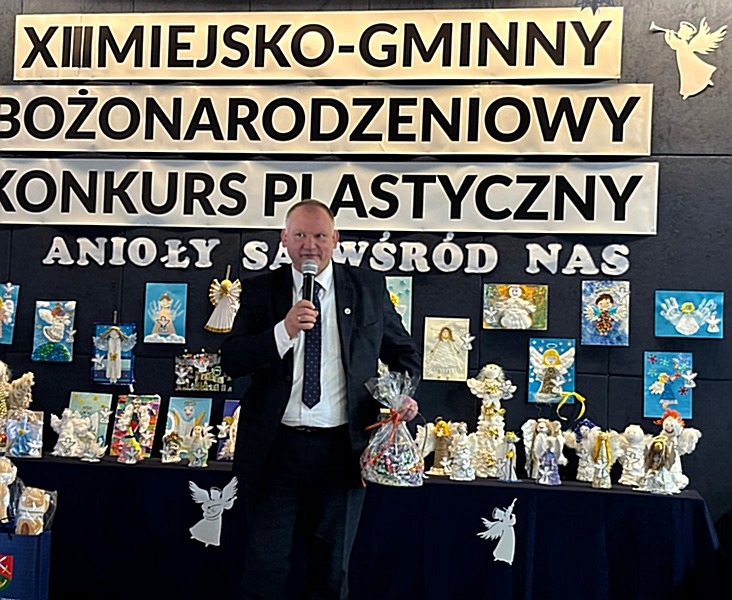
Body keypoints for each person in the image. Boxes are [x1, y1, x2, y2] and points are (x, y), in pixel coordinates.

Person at [220, 199, 421, 599]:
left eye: (319, 236)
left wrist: (403, 395)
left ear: (335, 239)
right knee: (264, 570)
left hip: (341, 452)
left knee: (331, 571)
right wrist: (283, 330)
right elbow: (232, 360)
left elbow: (404, 353)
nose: (309, 245)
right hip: (275, 450)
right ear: (284, 239)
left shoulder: (367, 288)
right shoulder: (261, 290)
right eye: (299, 235)